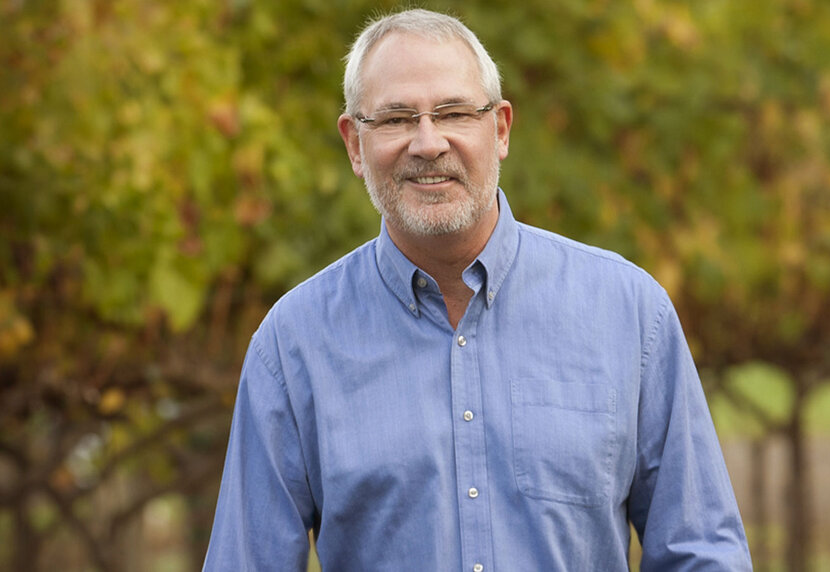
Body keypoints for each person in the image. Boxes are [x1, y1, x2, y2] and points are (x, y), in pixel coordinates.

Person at [203, 8, 752, 571]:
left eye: (454, 112)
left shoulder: (631, 314)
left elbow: (701, 552)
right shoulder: (293, 345)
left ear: (501, 129)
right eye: (394, 119)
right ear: (353, 145)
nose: (427, 142)